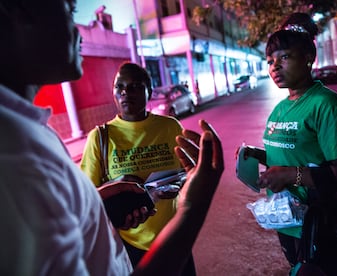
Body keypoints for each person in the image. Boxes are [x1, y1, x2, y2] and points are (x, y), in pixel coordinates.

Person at [0, 0, 224, 274]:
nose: (78, 31)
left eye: (135, 87)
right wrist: (194, 207)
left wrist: (99, 202)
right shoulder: (14, 158)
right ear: (19, 10)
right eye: (70, 10)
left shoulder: (35, 133)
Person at [242, 13, 337, 275]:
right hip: (287, 221)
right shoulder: (280, 108)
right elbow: (292, 154)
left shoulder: (328, 106)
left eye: (284, 57)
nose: (275, 67)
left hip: (321, 222)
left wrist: (290, 175)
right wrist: (255, 154)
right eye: (270, 61)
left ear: (308, 59)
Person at [80, 62, 197, 275]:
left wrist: (181, 184)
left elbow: (188, 174)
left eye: (134, 86)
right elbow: (88, 196)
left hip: (174, 237)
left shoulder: (170, 127)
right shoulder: (100, 138)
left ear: (149, 91)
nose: (125, 92)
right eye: (119, 87)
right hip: (129, 246)